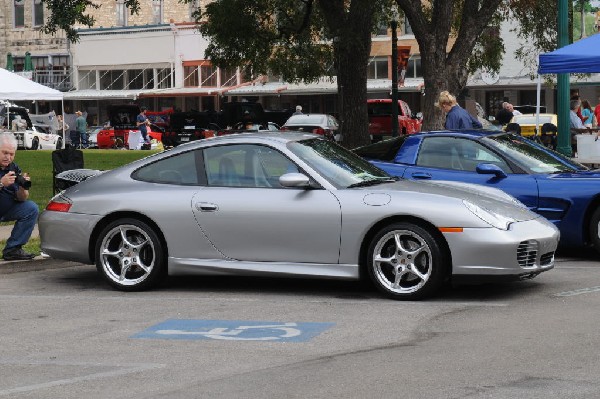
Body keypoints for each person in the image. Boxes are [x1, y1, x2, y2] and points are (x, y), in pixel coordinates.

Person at [0, 133, 37, 260]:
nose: (8, 157)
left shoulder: (13, 167)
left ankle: (13, 249)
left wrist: (23, 187)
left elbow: (21, 198)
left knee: (31, 208)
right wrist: (1, 183)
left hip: (7, 209)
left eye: (11, 154)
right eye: (5, 153)